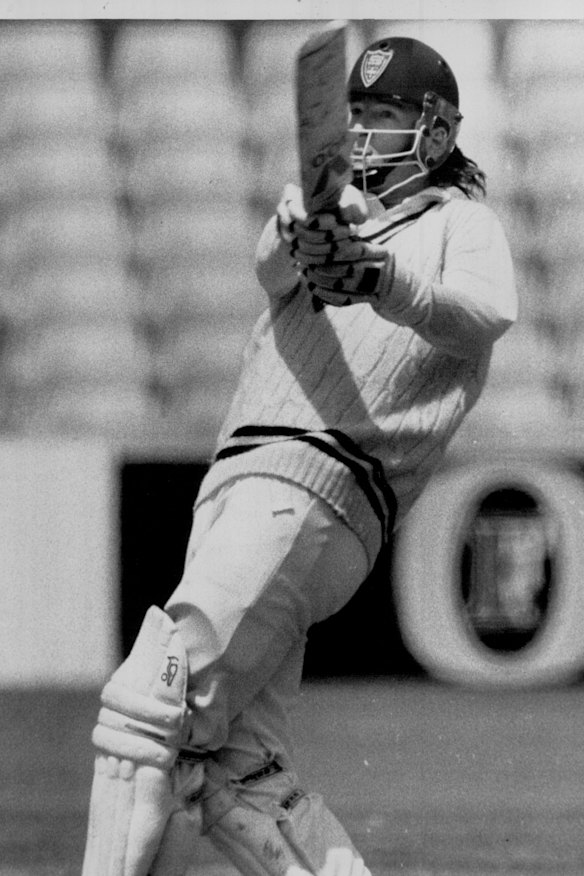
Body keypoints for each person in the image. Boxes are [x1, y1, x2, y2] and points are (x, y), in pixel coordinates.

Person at [81, 33, 517, 876]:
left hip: (314, 484)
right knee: (242, 781)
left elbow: (487, 314)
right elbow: (272, 268)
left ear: (435, 132)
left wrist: (380, 278)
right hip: (243, 481)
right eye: (355, 115)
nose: (361, 134)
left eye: (385, 116)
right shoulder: (328, 212)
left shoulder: (463, 225)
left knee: (150, 707)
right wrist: (309, 235)